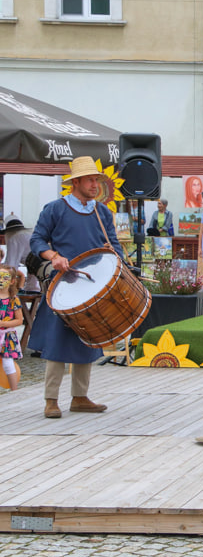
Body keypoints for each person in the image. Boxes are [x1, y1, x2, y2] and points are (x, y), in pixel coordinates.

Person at [29, 156, 124, 418]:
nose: (96, 185)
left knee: (88, 339)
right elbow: (37, 240)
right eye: (91, 180)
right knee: (57, 342)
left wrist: (116, 262)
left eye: (97, 180)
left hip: (93, 288)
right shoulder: (55, 209)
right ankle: (51, 400)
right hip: (63, 286)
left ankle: (80, 397)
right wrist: (54, 257)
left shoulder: (102, 212)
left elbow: (115, 246)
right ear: (77, 182)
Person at [0, 265, 24, 391]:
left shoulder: (13, 299)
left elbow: (19, 320)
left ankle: (14, 391)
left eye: (5, 277)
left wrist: (4, 324)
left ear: (12, 281)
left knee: (8, 363)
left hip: (7, 335)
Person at [2, 215, 40, 292]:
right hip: (41, 265)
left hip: (36, 264)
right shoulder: (31, 235)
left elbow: (11, 264)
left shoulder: (14, 238)